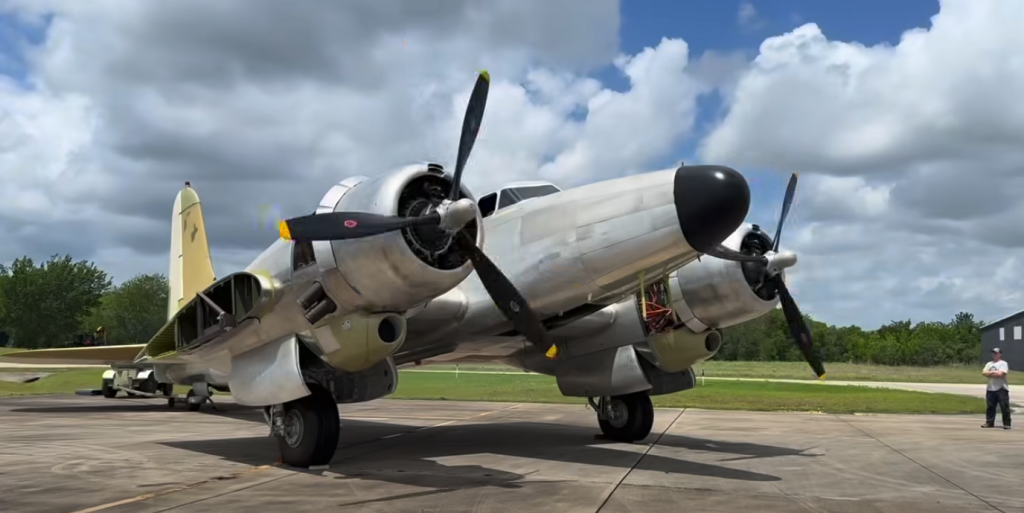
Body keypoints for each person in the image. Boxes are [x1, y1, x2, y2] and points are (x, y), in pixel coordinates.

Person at [981, 347, 1011, 430]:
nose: (994, 355)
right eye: (993, 353)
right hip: (990, 388)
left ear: (1000, 354)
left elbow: (1001, 374)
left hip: (1001, 388)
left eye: (996, 353)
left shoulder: (1003, 363)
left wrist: (989, 374)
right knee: (990, 406)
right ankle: (989, 422)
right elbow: (984, 372)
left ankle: (1007, 423)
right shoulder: (989, 364)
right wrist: (994, 372)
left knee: (1004, 407)